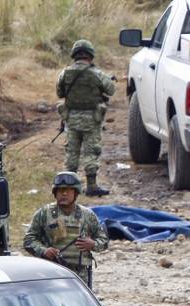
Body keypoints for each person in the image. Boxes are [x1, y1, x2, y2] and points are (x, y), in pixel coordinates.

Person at [23, 171, 109, 289]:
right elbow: (28, 240)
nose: (64, 193)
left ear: (76, 193)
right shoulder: (44, 213)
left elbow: (104, 241)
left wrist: (93, 244)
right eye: (60, 190)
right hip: (51, 272)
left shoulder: (87, 215)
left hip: (80, 276)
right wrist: (43, 251)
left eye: (68, 190)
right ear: (55, 193)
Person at [56, 39, 116, 197]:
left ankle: (68, 186)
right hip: (92, 119)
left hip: (72, 119)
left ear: (74, 55)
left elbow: (60, 93)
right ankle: (91, 186)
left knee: (71, 153)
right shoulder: (97, 74)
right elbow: (111, 90)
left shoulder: (65, 73)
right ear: (90, 55)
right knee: (91, 152)